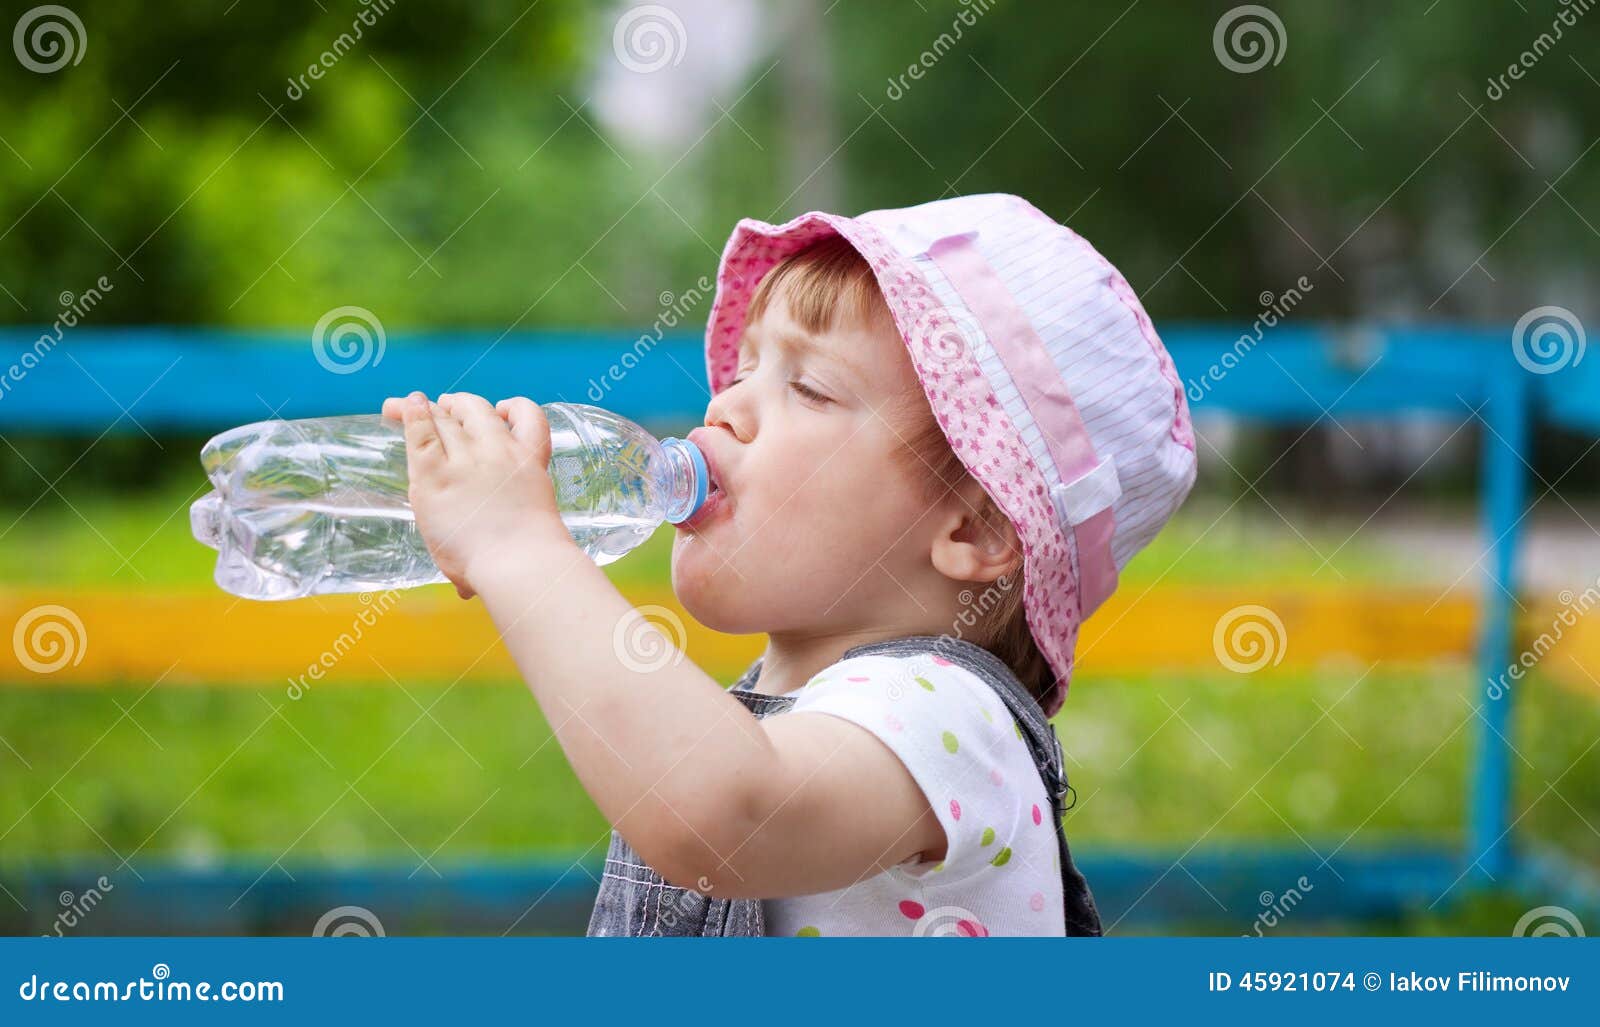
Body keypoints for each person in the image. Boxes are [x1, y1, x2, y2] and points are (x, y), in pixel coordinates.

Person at [381, 193, 1196, 936]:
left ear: (975, 528)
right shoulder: (787, 712)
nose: (724, 405)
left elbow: (727, 814)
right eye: (742, 369)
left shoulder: (950, 717)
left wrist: (523, 550)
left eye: (807, 387)